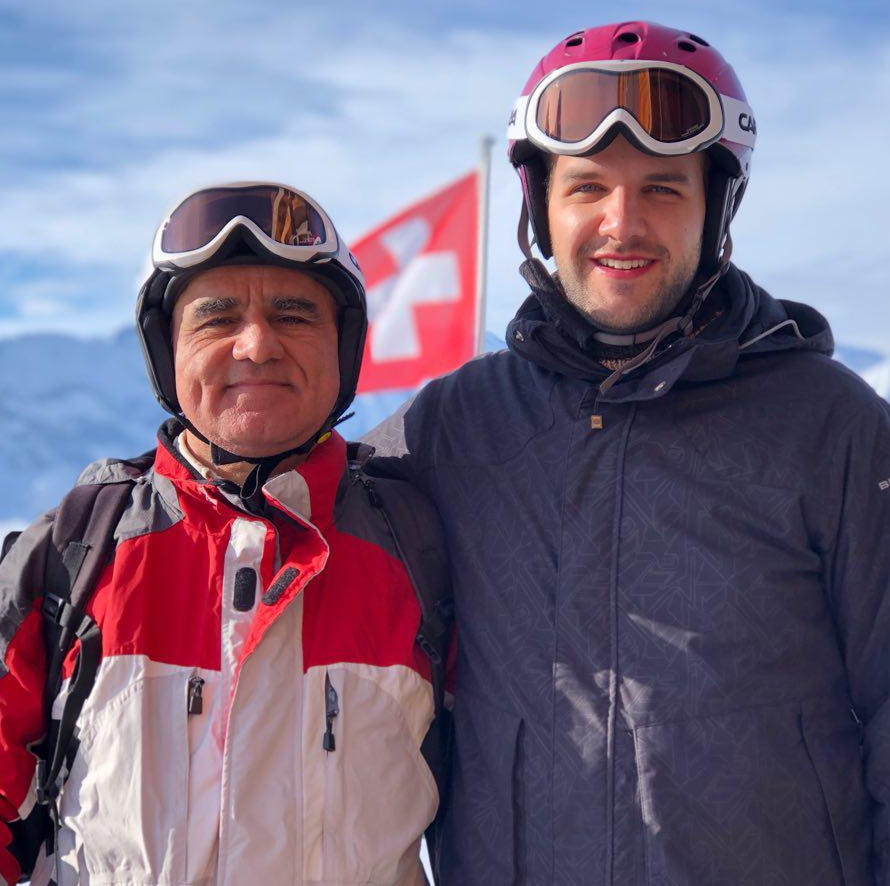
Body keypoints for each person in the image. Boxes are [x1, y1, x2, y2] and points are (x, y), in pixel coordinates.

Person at [365, 21, 890, 886]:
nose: (622, 222)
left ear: (716, 209)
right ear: (539, 207)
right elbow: (288, 536)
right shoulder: (453, 428)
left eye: (662, 188)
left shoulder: (829, 425)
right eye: (587, 189)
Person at [0, 182, 451, 886]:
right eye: (216, 318)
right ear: (166, 352)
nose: (257, 344)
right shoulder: (73, 554)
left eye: (293, 314)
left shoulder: (422, 551)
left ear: (346, 348)